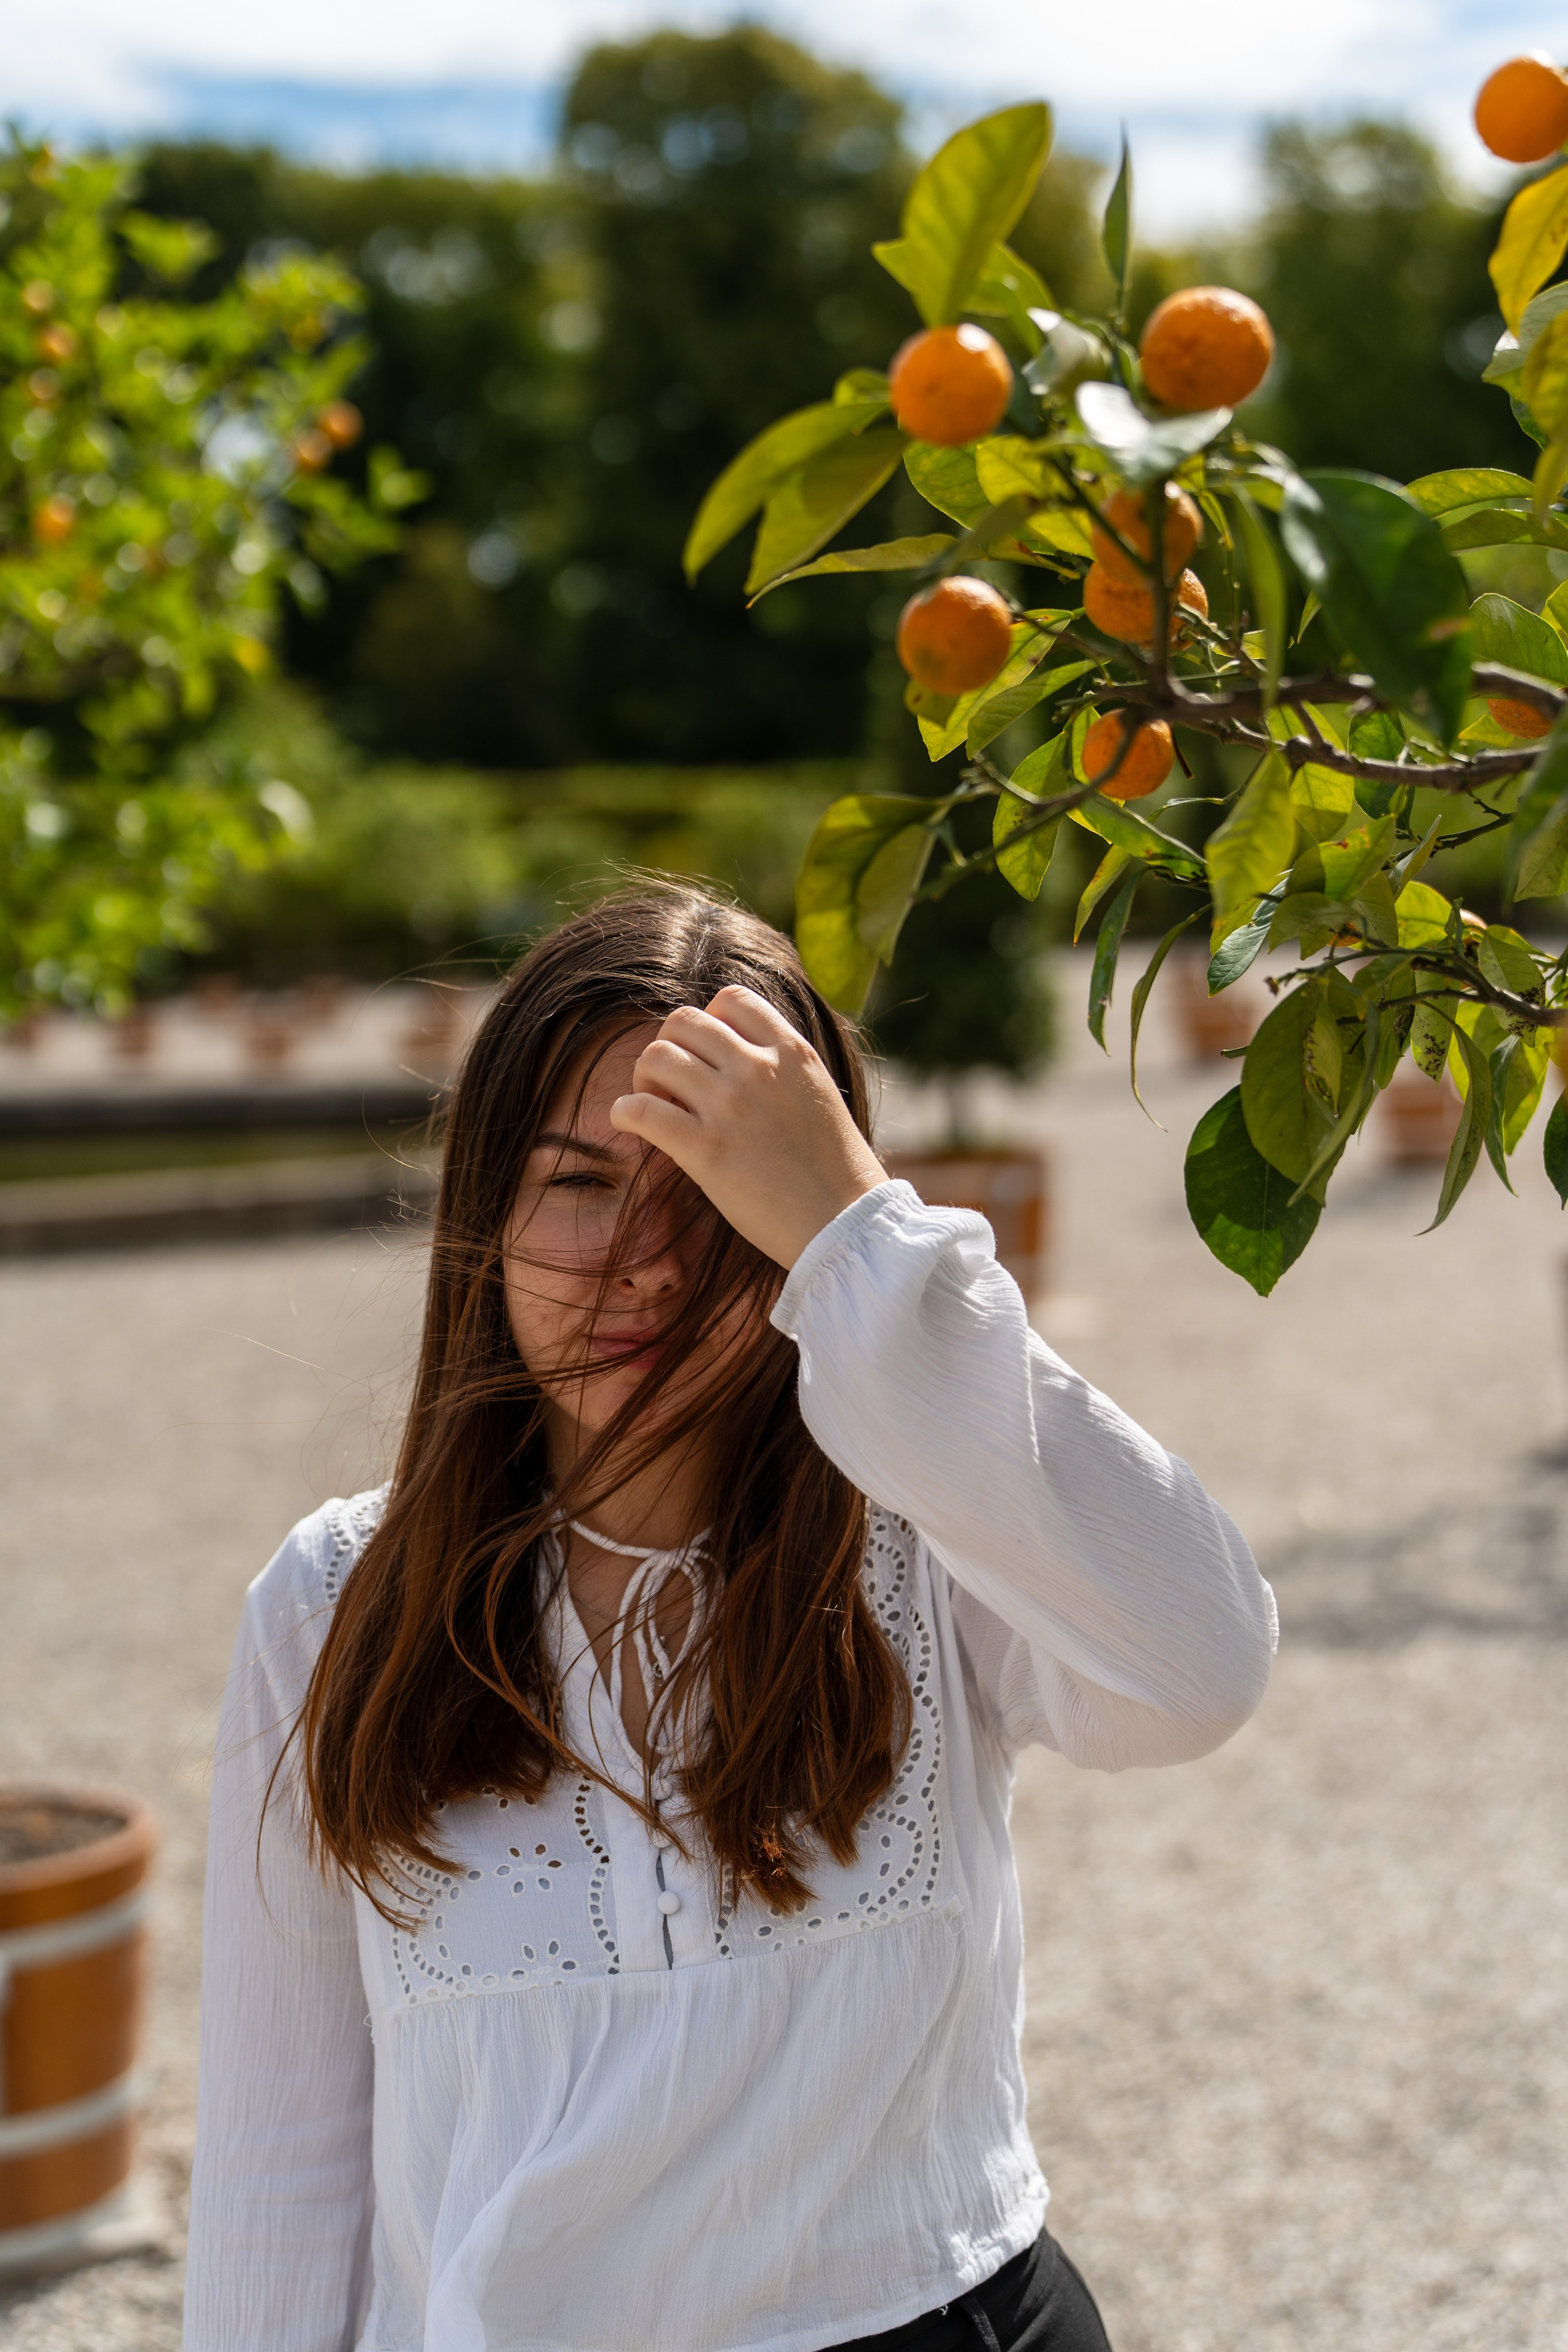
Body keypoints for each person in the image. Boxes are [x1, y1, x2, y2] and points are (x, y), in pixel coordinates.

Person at [184, 886, 1276, 2352]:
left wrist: (861, 1239)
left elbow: (1198, 1669)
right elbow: (279, 2161)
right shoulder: (331, 1606)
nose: (640, 1264)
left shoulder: (929, 1536)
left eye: (710, 1198)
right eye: (577, 1183)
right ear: (486, 1214)